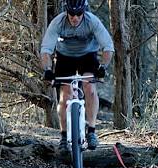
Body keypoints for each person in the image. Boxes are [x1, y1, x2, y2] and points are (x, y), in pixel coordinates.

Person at [40, 0, 114, 151]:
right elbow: (46, 49)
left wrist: (103, 67)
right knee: (65, 94)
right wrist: (47, 69)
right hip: (65, 57)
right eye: (72, 14)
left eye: (79, 14)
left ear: (84, 11)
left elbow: (108, 46)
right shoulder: (58, 22)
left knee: (90, 88)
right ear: (66, 12)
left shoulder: (92, 21)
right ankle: (63, 135)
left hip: (87, 56)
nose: (75, 18)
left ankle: (92, 131)